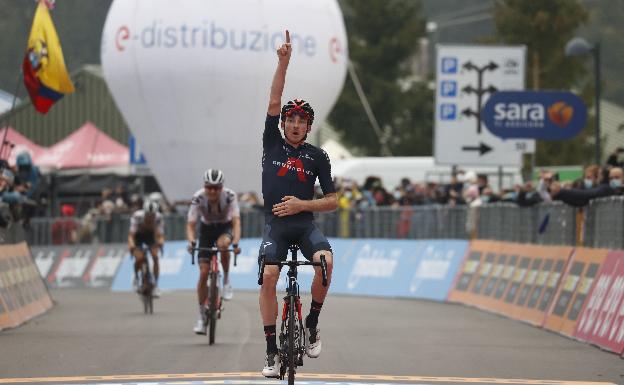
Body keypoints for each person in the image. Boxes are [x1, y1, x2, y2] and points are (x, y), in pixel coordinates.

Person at [259, 30, 337, 378]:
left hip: (305, 227)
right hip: (276, 227)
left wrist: (304, 205)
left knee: (326, 263)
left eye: (300, 121)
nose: (294, 123)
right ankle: (271, 350)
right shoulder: (272, 144)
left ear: (308, 126)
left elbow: (333, 201)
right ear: (283, 123)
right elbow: (275, 97)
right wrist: (283, 62)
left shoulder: (317, 155)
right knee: (270, 276)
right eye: (290, 119)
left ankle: (313, 323)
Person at [186, 169, 241, 335]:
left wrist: (236, 242)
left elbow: (237, 221)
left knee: (223, 245)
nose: (212, 191)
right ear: (204, 186)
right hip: (206, 230)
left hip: (224, 227)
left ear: (221, 188)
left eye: (216, 188)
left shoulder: (230, 196)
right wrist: (191, 241)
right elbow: (191, 224)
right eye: (209, 187)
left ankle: (226, 281)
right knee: (203, 273)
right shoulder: (198, 197)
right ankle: (202, 316)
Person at [128, 199, 164, 297]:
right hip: (138, 236)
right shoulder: (137, 216)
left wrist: (161, 243)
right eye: (148, 214)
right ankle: (136, 277)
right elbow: (131, 235)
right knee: (139, 258)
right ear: (144, 212)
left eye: (152, 215)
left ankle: (155, 285)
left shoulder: (158, 217)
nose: (150, 217)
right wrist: (131, 245)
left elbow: (160, 235)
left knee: (155, 257)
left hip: (150, 236)